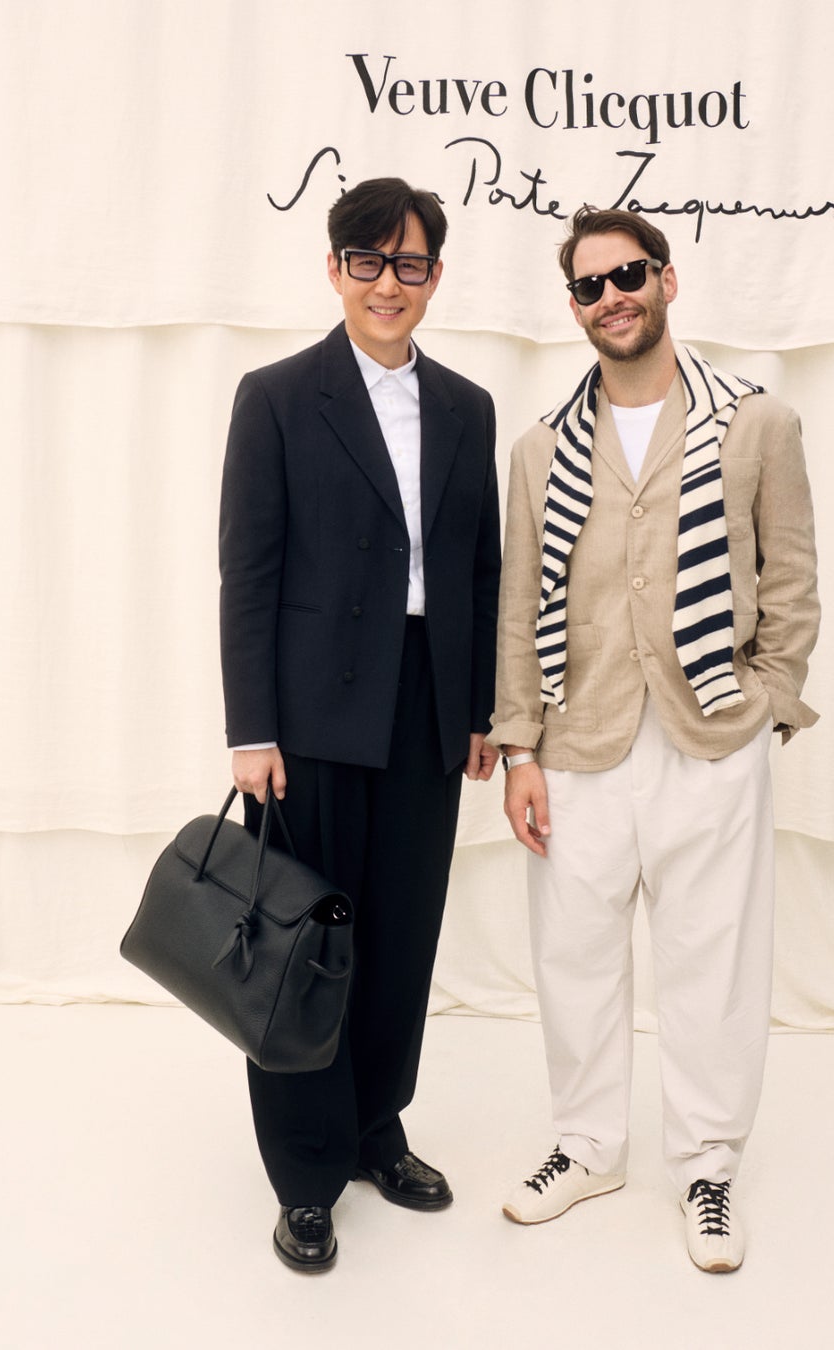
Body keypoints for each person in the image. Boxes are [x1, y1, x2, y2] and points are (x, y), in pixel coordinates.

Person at [490, 206, 819, 1272]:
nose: (611, 297)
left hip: (711, 736)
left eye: (627, 275)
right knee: (573, 956)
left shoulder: (756, 424)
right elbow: (516, 606)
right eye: (589, 286)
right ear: (575, 307)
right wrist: (520, 749)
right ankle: (588, 1148)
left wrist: (767, 701)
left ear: (666, 280)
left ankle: (707, 1168)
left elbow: (790, 581)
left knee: (712, 959)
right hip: (577, 742)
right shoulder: (541, 449)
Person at [219, 177, 500, 1272]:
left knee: (400, 937)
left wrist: (478, 709)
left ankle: (377, 1130)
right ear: (336, 270)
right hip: (309, 719)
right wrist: (252, 729)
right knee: (303, 951)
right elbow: (249, 575)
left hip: (426, 709)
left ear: (435, 276)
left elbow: (480, 570)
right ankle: (304, 1177)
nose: (391, 283)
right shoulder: (278, 396)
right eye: (370, 262)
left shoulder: (469, 407)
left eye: (411, 263)